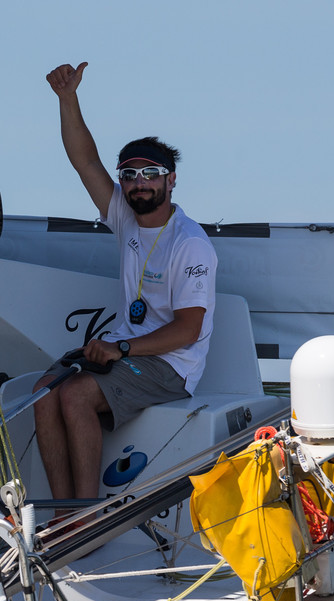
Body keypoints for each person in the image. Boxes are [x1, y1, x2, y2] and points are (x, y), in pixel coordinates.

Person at [34, 61, 217, 507]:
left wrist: (123, 349)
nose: (139, 183)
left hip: (171, 365)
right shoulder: (125, 218)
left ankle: (87, 516)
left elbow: (188, 331)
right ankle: (62, 515)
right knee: (43, 393)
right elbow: (85, 162)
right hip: (126, 348)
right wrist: (67, 98)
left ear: (171, 180)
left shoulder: (189, 243)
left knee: (76, 397)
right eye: (130, 175)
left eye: (150, 174)